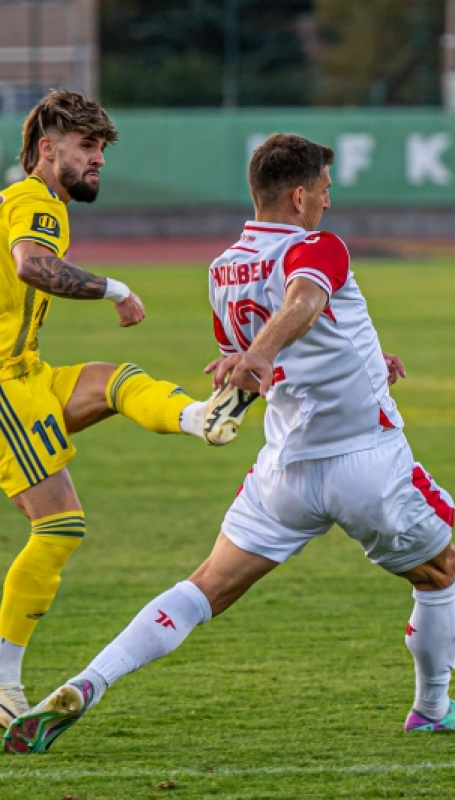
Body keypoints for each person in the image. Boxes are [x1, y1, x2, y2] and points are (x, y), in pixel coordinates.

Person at [3, 132, 455, 754]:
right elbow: (305, 300)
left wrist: (362, 357)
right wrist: (264, 353)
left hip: (284, 473)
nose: (327, 201)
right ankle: (432, 708)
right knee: (440, 570)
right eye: (322, 189)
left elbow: (260, 358)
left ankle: (86, 683)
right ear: (298, 196)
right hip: (364, 462)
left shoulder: (223, 270)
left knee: (204, 588)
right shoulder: (317, 246)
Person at [0, 89, 253, 730]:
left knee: (115, 382)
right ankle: (2, 681)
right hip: (3, 386)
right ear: (45, 148)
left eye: (101, 151)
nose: (98, 162)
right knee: (58, 525)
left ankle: (203, 417)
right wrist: (116, 288)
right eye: (87, 148)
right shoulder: (35, 202)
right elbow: (32, 266)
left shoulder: (28, 201)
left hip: (24, 375)